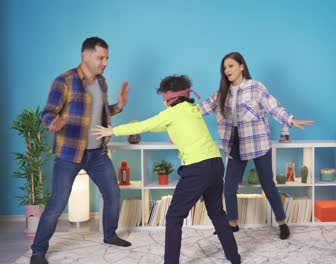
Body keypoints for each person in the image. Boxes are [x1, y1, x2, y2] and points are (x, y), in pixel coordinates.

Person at [92, 75, 241, 264]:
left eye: (164, 97)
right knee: (218, 214)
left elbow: (144, 125)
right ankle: (234, 258)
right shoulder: (193, 109)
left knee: (174, 217)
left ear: (169, 98)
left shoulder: (171, 113)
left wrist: (111, 131)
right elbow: (164, 127)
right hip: (216, 163)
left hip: (197, 168)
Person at [30, 37, 131, 264]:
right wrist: (52, 122)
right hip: (69, 154)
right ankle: (38, 251)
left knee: (113, 194)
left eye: (107, 58)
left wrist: (119, 106)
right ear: (85, 56)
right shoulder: (64, 81)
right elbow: (48, 112)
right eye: (100, 57)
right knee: (57, 204)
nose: (105, 62)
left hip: (97, 154)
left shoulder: (102, 82)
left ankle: (110, 234)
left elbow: (102, 113)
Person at [200, 52, 314, 240]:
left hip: (258, 141)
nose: (227, 70)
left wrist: (291, 120)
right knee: (228, 186)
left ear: (242, 66)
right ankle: (232, 223)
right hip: (235, 142)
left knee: (267, 184)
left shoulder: (255, 87)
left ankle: (282, 223)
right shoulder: (222, 93)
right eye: (224, 67)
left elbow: (273, 107)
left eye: (231, 66)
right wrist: (180, 111)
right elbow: (201, 109)